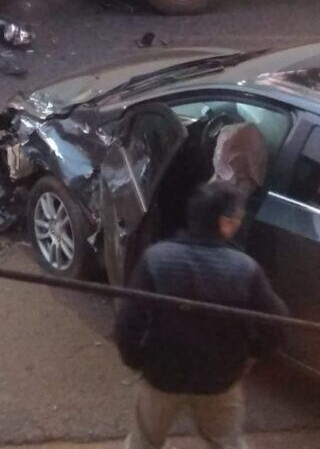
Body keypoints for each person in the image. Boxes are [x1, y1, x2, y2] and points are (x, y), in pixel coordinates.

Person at [115, 182, 288, 449]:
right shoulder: (245, 269)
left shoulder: (157, 259)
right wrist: (251, 355)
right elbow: (276, 323)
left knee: (144, 442)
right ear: (226, 223)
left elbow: (127, 322)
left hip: (162, 376)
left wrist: (138, 360)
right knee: (226, 443)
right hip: (219, 380)